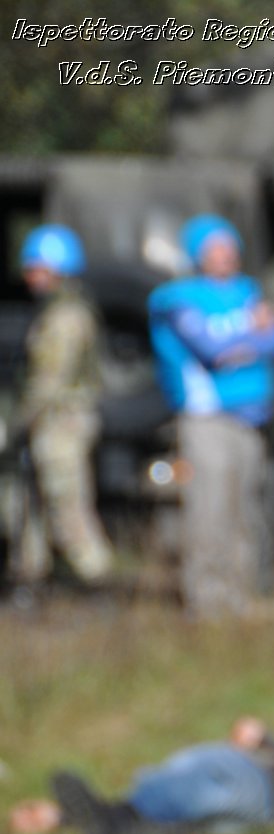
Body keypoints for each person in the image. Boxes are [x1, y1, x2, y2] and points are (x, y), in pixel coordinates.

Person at [147, 214, 274, 619]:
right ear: (198, 254)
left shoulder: (248, 290)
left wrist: (245, 339)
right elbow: (211, 348)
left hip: (250, 419)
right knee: (209, 509)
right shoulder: (176, 298)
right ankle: (206, 599)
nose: (227, 256)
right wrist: (253, 331)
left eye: (231, 248)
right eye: (216, 249)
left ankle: (238, 596)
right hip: (207, 418)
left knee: (244, 510)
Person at [8, 716, 274, 834]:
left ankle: (113, 821)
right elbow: (249, 729)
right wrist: (257, 738)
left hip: (260, 787)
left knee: (192, 790)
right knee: (178, 774)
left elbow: (251, 730)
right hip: (249, 780)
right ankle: (84, 818)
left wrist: (260, 738)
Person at [9, 224, 114, 592]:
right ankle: (32, 573)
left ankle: (96, 575)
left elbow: (48, 381)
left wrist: (15, 422)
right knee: (38, 499)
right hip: (57, 419)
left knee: (65, 500)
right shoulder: (60, 310)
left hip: (62, 420)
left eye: (35, 268)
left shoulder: (64, 316)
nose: (29, 277)